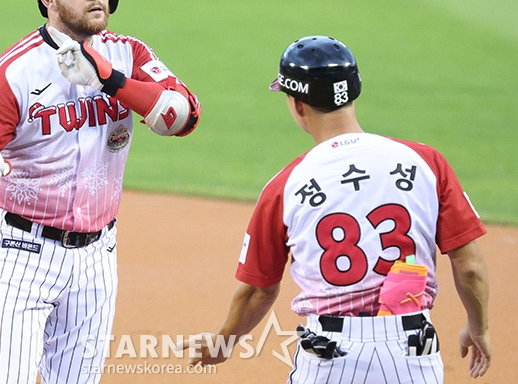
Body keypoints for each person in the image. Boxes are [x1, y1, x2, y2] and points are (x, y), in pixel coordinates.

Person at [0, 0, 200, 384]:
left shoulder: (128, 54)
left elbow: (183, 117)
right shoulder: (16, 70)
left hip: (96, 257)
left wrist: (110, 79)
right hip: (18, 253)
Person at [180, 36, 490, 383]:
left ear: (298, 104)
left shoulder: (285, 186)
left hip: (331, 357)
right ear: (353, 91)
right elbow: (470, 266)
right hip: (412, 351)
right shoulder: (426, 162)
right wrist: (479, 328)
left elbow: (258, 290)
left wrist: (224, 341)